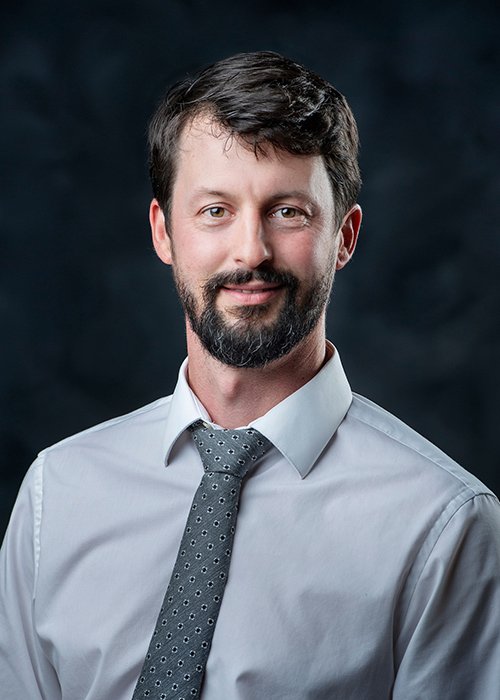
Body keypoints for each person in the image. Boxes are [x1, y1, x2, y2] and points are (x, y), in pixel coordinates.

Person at [1, 51, 499, 700]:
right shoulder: (57, 495)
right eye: (215, 210)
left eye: (288, 211)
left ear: (345, 237)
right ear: (164, 232)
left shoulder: (443, 527)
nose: (251, 252)